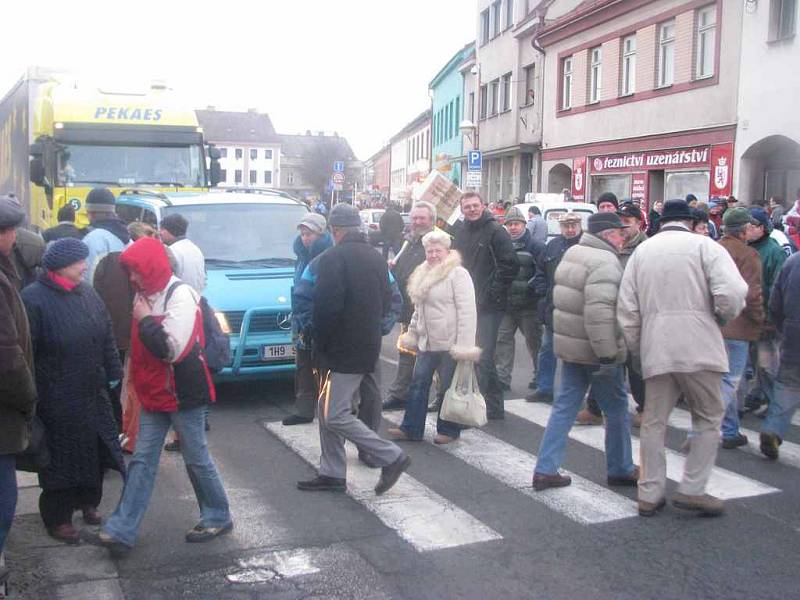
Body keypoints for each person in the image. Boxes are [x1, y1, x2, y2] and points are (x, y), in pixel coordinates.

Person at [92, 237, 232, 555]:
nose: (131, 278)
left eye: (136, 270)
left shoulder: (180, 295)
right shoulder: (145, 294)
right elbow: (140, 354)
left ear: (152, 267)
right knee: (141, 461)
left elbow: (172, 350)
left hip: (183, 393)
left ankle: (218, 515)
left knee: (196, 459)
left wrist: (143, 320)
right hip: (155, 393)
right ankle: (122, 529)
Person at [618, 199, 747, 518]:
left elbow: (627, 311)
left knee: (653, 421)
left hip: (656, 346)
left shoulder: (641, 253)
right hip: (700, 345)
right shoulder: (706, 247)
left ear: (661, 222)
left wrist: (638, 348)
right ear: (690, 222)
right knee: (707, 416)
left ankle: (649, 493)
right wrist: (719, 318)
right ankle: (692, 489)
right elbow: (732, 293)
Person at [297, 203, 410, 494]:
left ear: (334, 231)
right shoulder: (375, 258)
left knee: (335, 414)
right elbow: (389, 300)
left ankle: (390, 455)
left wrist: (317, 342)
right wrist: (375, 328)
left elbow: (326, 308)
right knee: (327, 410)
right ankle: (332, 472)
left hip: (340, 351)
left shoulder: (331, 259)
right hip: (367, 345)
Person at [21, 238, 124, 543]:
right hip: (56, 397)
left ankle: (88, 502)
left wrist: (114, 370)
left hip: (92, 390)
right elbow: (28, 351)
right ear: (62, 265)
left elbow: (105, 331)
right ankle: (58, 517)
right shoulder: (34, 299)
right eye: (80, 262)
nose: (85, 266)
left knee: (94, 451)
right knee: (60, 458)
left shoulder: (87, 293)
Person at [532, 212, 637, 491]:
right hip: (595, 348)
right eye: (618, 232)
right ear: (606, 235)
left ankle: (545, 468)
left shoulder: (575, 252)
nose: (622, 236)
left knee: (564, 408)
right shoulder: (604, 261)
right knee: (616, 410)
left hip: (572, 345)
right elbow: (599, 313)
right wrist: (608, 354)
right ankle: (621, 468)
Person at [388, 229, 481, 444]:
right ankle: (411, 428)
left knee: (447, 386)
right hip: (427, 342)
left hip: (450, 342)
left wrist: (464, 346)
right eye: (429, 251)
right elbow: (418, 310)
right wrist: (412, 333)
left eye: (437, 251)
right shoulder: (423, 272)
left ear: (446, 251)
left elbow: (467, 311)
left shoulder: (458, 274)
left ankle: (448, 430)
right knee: (418, 383)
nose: (433, 255)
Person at [453, 192, 518, 420]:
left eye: (475, 205)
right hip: (464, 302)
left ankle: (493, 406)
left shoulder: (496, 231)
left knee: (484, 355)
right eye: (467, 206)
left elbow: (510, 264)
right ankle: (470, 399)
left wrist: (492, 293)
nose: (471, 209)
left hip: (489, 305)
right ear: (462, 209)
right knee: (467, 354)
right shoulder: (460, 231)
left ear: (483, 206)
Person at [0, 196, 37, 584]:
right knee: (3, 496)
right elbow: (7, 356)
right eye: (10, 231)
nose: (15, 237)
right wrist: (28, 397)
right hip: (4, 410)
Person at [717, 208, 764, 449]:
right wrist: (760, 319)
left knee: (719, 380)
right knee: (731, 381)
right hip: (737, 325)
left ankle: (730, 429)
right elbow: (752, 293)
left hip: (713, 324)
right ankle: (704, 430)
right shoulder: (748, 254)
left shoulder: (712, 248)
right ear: (743, 230)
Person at [384, 201, 437, 410]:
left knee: (435, 356)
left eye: (422, 218)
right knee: (406, 351)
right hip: (409, 309)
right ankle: (399, 393)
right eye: (414, 218)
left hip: (430, 310)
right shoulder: (408, 242)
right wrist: (394, 268)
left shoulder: (437, 243)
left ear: (431, 220)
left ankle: (441, 397)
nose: (417, 222)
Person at [282, 212, 333, 426]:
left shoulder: (329, 257)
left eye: (309, 233)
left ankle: (333, 412)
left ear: (321, 233)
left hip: (320, 320)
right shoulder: (302, 257)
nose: (305, 237)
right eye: (303, 233)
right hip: (302, 321)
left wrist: (313, 319)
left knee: (326, 369)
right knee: (303, 366)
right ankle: (304, 410)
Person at [526, 213, 582, 403]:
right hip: (553, 308)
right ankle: (545, 388)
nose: (570, 229)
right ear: (560, 227)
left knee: (574, 354)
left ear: (580, 225)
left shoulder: (585, 246)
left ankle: (574, 391)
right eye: (566, 225)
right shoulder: (553, 246)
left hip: (577, 310)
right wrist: (542, 291)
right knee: (547, 349)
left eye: (574, 225)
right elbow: (540, 271)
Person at [743, 207, 788, 415]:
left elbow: (778, 287)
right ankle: (757, 395)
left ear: (761, 228)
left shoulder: (773, 252)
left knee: (768, 366)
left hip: (766, 318)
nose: (747, 229)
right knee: (752, 363)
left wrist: (771, 318)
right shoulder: (746, 248)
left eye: (751, 226)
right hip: (747, 316)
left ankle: (774, 405)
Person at [495, 207, 542, 392]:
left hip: (529, 305)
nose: (513, 227)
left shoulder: (536, 246)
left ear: (524, 224)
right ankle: (502, 378)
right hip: (507, 305)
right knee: (503, 341)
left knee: (534, 342)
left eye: (517, 223)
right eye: (510, 224)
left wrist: (532, 289)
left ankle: (540, 376)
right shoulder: (502, 246)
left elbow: (542, 272)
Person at [759, 251, 800, 459]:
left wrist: (780, 325)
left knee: (788, 385)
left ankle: (773, 428)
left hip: (793, 334)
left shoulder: (793, 261)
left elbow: (776, 300)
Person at [81, 187, 131, 280]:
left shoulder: (93, 239)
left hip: (98, 294)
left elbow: (87, 276)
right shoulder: (128, 237)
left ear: (91, 213)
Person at [159, 213, 206, 294]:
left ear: (171, 230)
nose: (160, 232)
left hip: (180, 299)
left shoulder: (171, 251)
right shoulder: (195, 248)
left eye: (163, 229)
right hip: (196, 298)